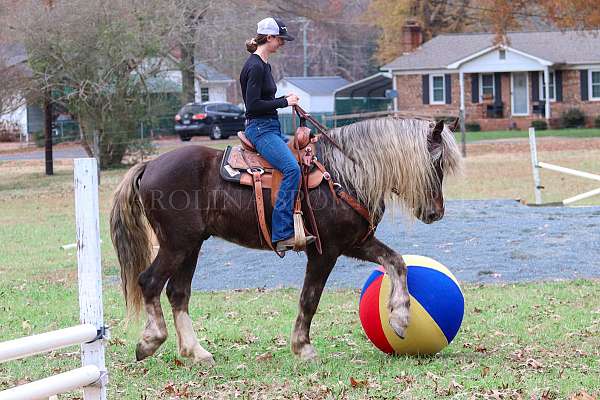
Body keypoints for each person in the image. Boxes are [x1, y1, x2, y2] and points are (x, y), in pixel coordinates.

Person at [240, 17, 315, 253]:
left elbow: (264, 100)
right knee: (291, 169)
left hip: (271, 127)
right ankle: (282, 233)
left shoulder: (264, 65)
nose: (282, 43)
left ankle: (304, 219)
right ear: (269, 38)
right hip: (260, 129)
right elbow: (252, 106)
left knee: (307, 157)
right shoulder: (254, 66)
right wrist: (284, 101)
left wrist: (284, 101)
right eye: (280, 39)